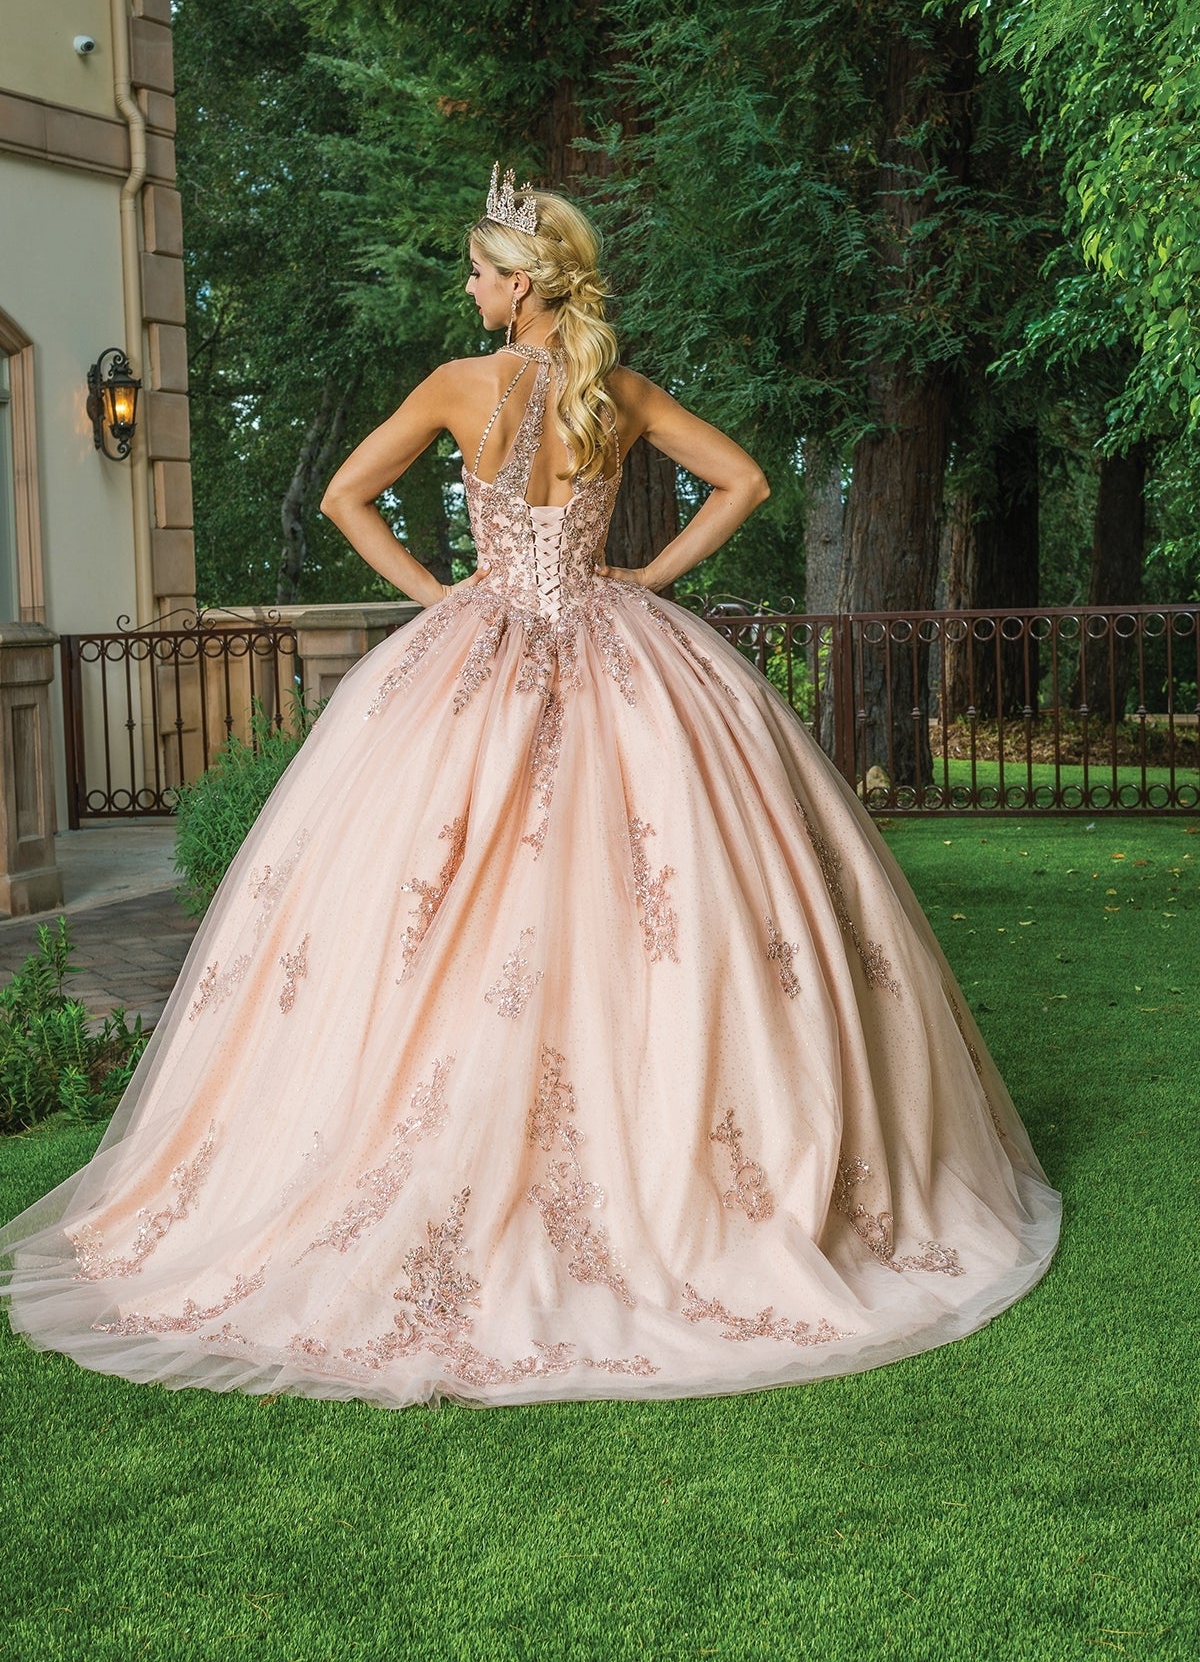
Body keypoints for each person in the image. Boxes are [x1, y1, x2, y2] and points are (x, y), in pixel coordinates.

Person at [0, 170, 1060, 1406]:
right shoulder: (615, 389)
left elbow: (346, 495)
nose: (468, 286)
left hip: (481, 644)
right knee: (664, 894)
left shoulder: (465, 386)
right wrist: (647, 576)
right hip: (622, 647)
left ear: (521, 284)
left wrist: (442, 597)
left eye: (478, 269)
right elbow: (749, 479)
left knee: (435, 907)